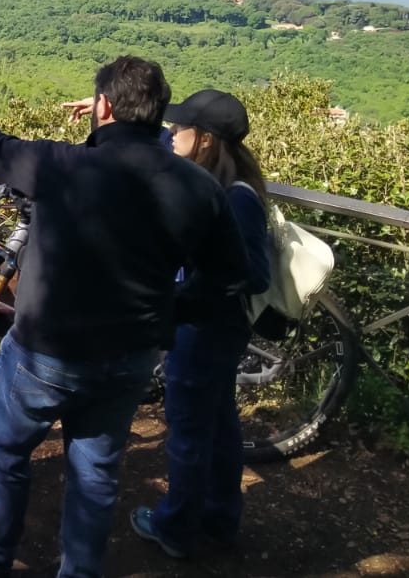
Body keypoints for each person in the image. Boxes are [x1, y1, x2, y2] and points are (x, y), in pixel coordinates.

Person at [0, 56, 251, 578]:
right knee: (96, 475)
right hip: (130, 358)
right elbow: (230, 279)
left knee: (4, 454)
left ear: (103, 106)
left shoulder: (61, 165)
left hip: (46, 352)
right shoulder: (197, 188)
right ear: (159, 114)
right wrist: (169, 312)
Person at [131, 89, 272, 559]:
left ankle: (175, 528)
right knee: (219, 424)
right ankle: (219, 518)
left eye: (179, 129)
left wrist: (193, 282)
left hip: (208, 330)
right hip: (215, 327)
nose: (171, 134)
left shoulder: (237, 199)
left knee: (189, 430)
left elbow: (254, 272)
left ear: (206, 140)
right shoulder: (223, 186)